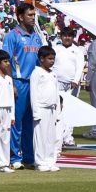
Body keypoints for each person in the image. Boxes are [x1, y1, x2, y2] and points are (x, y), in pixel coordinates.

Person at [2, 1, 46, 167]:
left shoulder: (36, 36)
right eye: (30, 15)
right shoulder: (12, 36)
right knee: (16, 122)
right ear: (20, 16)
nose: (33, 18)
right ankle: (14, 157)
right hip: (19, 83)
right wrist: (11, 83)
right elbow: (5, 62)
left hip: (34, 84)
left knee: (31, 122)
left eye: (34, 15)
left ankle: (28, 156)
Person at [30, 44, 63, 172]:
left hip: (52, 109)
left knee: (51, 137)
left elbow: (56, 94)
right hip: (41, 109)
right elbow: (33, 93)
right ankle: (40, 162)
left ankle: (50, 160)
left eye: (53, 59)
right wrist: (36, 112)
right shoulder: (37, 73)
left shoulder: (53, 74)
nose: (52, 61)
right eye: (49, 59)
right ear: (41, 59)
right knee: (40, 137)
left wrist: (58, 111)